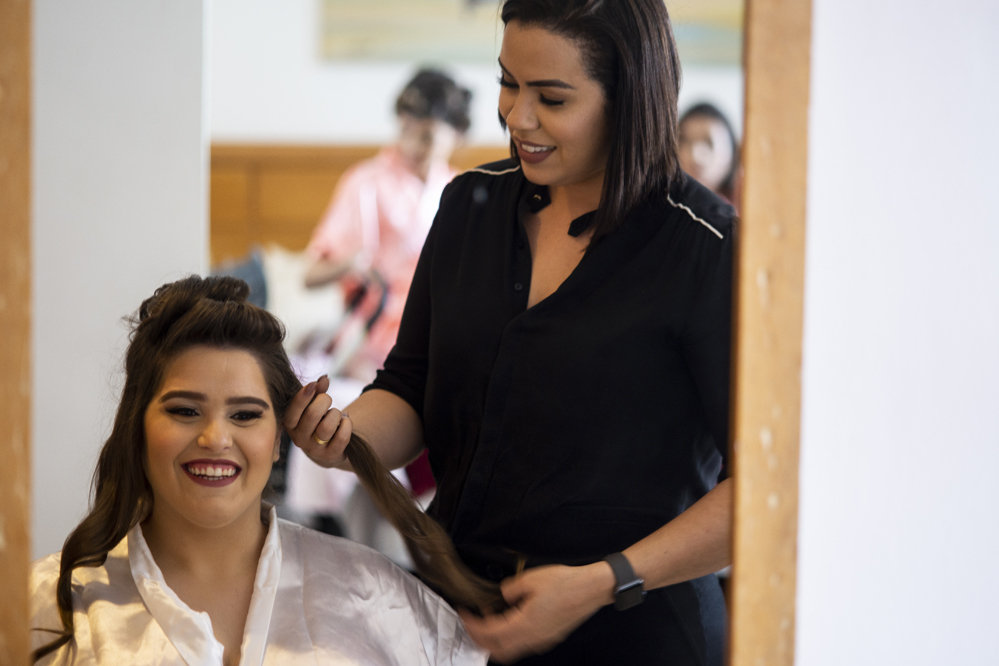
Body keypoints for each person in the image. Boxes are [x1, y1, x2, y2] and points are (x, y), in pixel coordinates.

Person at [285, 1, 735, 663]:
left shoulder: (705, 247)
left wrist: (601, 582)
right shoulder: (469, 209)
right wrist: (343, 438)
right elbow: (410, 390)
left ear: (630, 97)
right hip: (458, 619)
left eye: (551, 98)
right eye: (507, 83)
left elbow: (765, 490)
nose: (516, 118)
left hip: (638, 633)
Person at [28, 276, 486, 665]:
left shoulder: (381, 600)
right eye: (185, 411)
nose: (215, 439)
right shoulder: (46, 606)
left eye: (245, 415)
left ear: (278, 440)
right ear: (137, 427)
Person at [678, 102, 741, 207]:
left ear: (732, 155)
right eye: (686, 141)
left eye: (709, 143)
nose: (695, 155)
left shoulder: (742, 215)